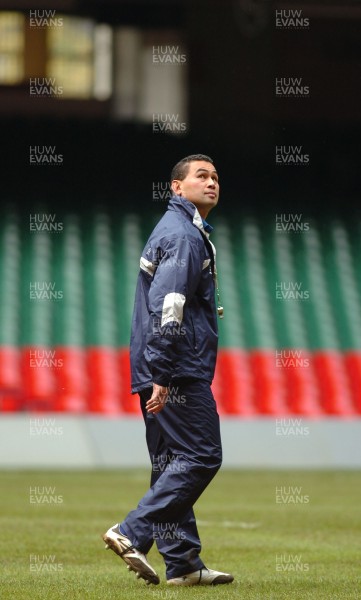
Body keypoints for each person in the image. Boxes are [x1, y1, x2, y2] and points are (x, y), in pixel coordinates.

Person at [102, 154, 233, 587]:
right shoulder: (183, 235)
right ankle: (131, 530)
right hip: (176, 367)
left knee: (168, 463)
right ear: (177, 187)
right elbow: (169, 305)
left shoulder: (180, 229)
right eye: (201, 176)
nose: (211, 182)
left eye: (215, 176)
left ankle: (183, 564)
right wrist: (163, 370)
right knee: (201, 455)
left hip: (159, 361)